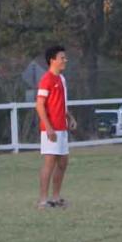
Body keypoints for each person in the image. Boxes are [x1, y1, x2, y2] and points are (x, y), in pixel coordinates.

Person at [35, 45, 76, 208]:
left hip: (62, 128)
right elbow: (39, 105)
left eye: (65, 58)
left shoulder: (62, 79)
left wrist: (70, 117)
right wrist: (49, 127)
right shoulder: (47, 79)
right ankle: (43, 200)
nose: (65, 60)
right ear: (52, 60)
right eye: (62, 58)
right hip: (50, 129)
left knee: (63, 163)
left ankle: (56, 197)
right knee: (49, 163)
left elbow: (61, 104)